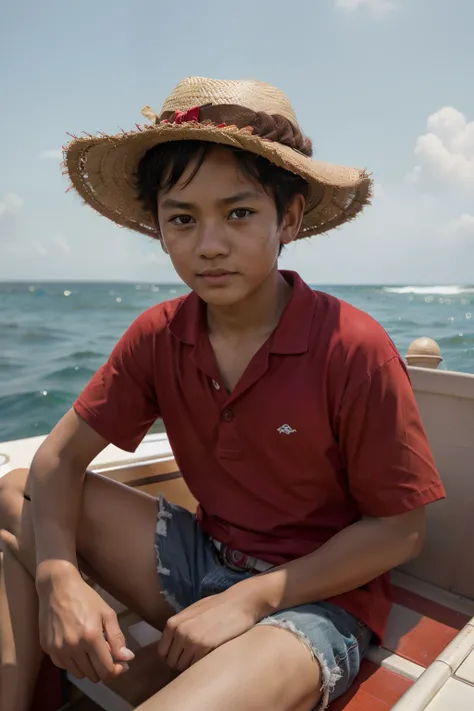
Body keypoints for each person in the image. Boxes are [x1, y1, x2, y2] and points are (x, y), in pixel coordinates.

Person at [0, 76, 445, 711]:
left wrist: (249, 599)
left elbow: (401, 530)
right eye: (182, 218)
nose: (209, 245)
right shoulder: (159, 335)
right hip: (203, 557)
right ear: (158, 228)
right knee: (15, 492)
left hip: (316, 598)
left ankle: (148, 678)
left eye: (239, 213)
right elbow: (57, 460)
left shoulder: (352, 345)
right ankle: (136, 670)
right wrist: (58, 579)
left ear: (287, 217)